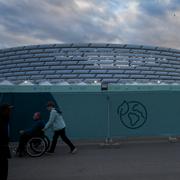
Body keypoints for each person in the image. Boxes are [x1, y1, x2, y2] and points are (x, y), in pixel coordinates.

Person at [0, 103, 13, 180]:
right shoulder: (2, 120)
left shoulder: (6, 119)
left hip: (4, 147)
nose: (10, 111)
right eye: (9, 110)